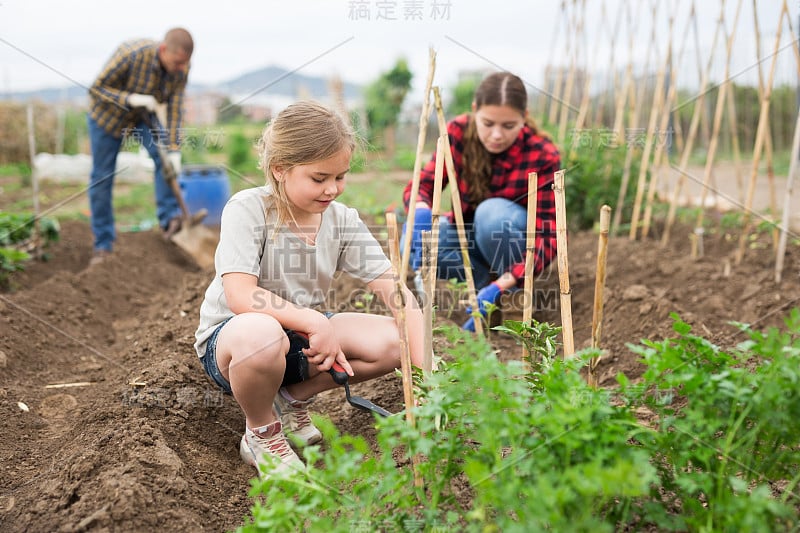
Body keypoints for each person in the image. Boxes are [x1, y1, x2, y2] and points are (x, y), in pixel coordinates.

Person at [194, 101, 424, 478]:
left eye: (341, 177)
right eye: (319, 178)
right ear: (280, 169)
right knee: (263, 334)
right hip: (237, 343)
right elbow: (239, 296)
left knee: (392, 339)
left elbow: (396, 292)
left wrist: (427, 379)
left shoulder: (341, 220)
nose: (332, 189)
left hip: (301, 340)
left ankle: (291, 400)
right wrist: (314, 321)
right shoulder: (248, 209)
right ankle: (261, 431)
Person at [403, 71, 561, 331]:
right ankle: (479, 285)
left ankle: (511, 296)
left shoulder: (542, 154)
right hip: (469, 240)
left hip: (511, 244)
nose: (497, 135)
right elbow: (424, 186)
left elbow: (550, 235)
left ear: (524, 117)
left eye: (508, 126)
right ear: (475, 110)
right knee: (407, 244)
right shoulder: (456, 133)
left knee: (491, 215)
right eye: (488, 123)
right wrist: (420, 212)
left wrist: (504, 283)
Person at [87, 27, 193, 265]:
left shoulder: (181, 67)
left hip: (141, 119)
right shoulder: (131, 53)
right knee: (102, 176)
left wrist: (174, 149)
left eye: (184, 64)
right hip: (107, 119)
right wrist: (130, 98)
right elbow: (96, 89)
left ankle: (169, 222)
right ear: (164, 49)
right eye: (177, 62)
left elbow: (176, 107)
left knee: (163, 157)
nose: (180, 68)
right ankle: (103, 245)